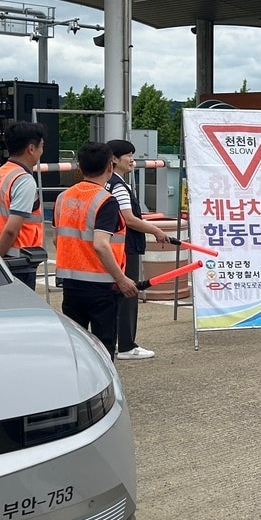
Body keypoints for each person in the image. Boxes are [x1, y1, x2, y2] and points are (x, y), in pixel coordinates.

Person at [54, 141, 139, 358]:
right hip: (101, 287)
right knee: (103, 348)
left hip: (71, 284)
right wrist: (122, 279)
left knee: (77, 347)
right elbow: (101, 244)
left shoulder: (63, 198)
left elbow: (57, 240)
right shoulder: (106, 201)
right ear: (110, 167)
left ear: (79, 168)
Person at [106, 139, 172, 361]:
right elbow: (129, 219)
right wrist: (155, 230)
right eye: (127, 155)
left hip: (115, 246)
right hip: (126, 246)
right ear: (114, 159)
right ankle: (126, 345)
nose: (132, 159)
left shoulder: (109, 183)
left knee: (117, 294)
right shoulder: (118, 185)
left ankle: (116, 341)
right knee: (128, 292)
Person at [0, 121, 46, 288]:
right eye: (41, 147)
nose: (42, 151)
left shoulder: (0, 173)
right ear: (31, 149)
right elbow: (11, 229)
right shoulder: (24, 180)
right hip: (17, 262)